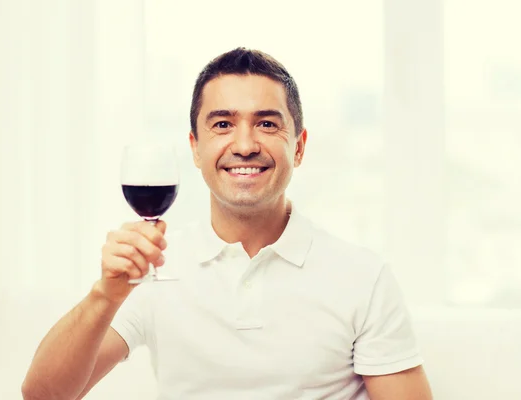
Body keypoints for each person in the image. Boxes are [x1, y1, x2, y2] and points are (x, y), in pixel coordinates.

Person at [22, 47, 433, 400]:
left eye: (267, 124)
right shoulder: (155, 271)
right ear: (195, 148)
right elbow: (43, 395)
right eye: (222, 124)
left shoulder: (362, 277)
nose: (244, 145)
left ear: (300, 146)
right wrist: (104, 296)